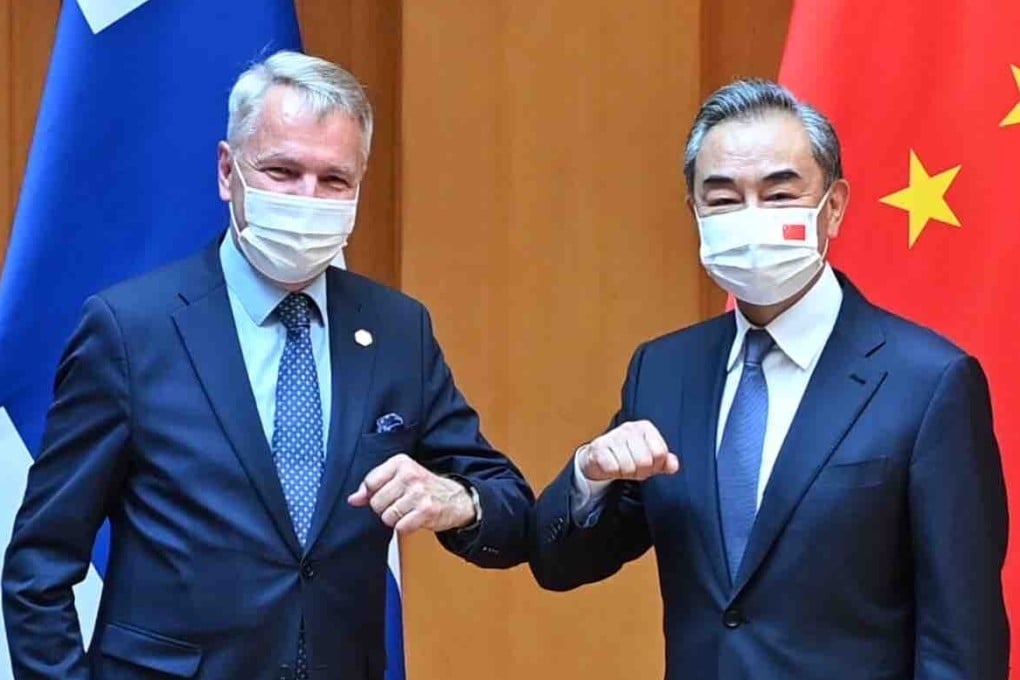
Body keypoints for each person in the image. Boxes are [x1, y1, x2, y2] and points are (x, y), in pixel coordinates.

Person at [2, 50, 532, 680]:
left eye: (334, 181)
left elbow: (512, 509)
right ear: (229, 172)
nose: (309, 199)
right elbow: (39, 565)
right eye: (282, 171)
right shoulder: (130, 330)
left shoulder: (397, 330)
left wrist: (459, 500)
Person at [530, 79, 1009, 679]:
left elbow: (963, 644)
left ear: (832, 207)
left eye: (779, 193)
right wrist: (589, 478)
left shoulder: (929, 383)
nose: (750, 216)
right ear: (695, 213)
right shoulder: (665, 371)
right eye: (724, 199)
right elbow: (561, 563)